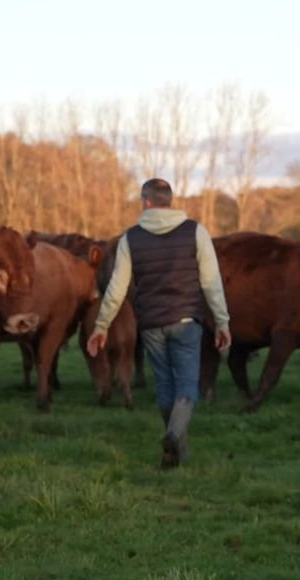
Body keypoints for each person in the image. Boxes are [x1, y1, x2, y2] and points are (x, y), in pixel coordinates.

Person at [87, 178, 232, 468]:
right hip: (187, 319)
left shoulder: (131, 239)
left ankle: (175, 447)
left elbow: (116, 288)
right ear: (170, 200)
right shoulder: (196, 232)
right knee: (187, 385)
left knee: (164, 384)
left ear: (147, 202)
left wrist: (101, 326)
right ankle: (175, 435)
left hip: (151, 323)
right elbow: (211, 283)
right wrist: (222, 321)